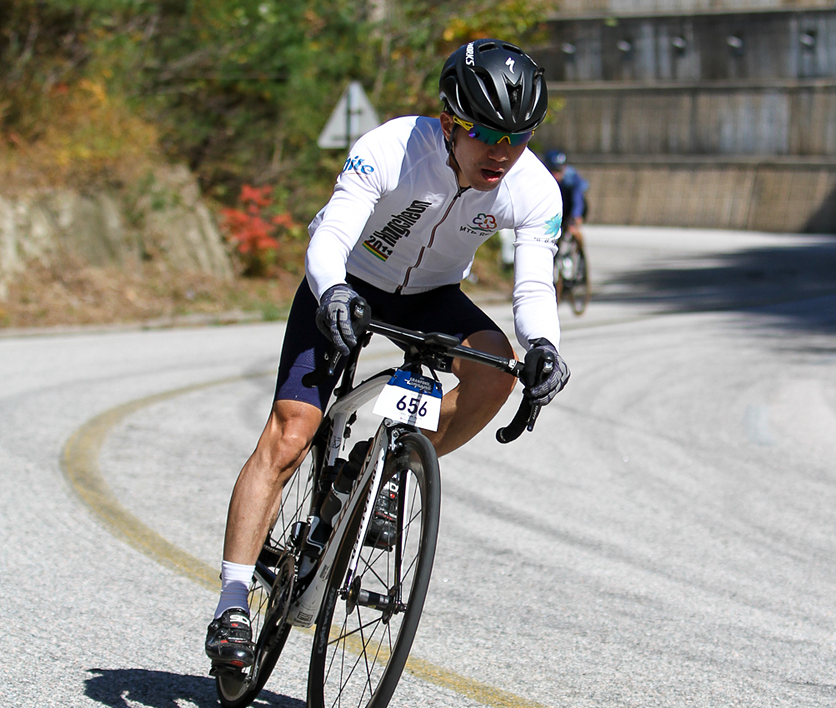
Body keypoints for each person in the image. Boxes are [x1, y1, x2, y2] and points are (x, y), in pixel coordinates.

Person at [205, 38, 571, 671]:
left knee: (497, 368)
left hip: (431, 297)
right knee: (291, 434)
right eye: (486, 133)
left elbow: (534, 286)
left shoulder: (533, 188)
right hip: (346, 285)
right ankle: (233, 601)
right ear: (451, 123)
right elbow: (330, 236)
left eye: (519, 136)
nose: (502, 151)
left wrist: (546, 346)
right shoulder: (391, 147)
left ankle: (386, 472)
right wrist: (333, 291)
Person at [542, 149, 589, 236]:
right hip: (552, 208)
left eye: (559, 171)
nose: (556, 175)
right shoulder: (540, 177)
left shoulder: (572, 177)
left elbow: (577, 199)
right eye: (553, 171)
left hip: (569, 206)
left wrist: (576, 216)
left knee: (573, 230)